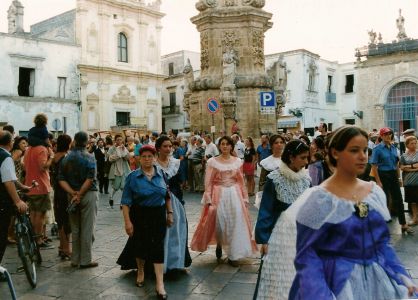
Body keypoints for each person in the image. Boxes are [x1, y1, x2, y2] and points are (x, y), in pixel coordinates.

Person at [288, 125, 418, 299]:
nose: (363, 156)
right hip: (337, 281)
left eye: (365, 150)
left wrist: (401, 275)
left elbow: (382, 244)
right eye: (354, 150)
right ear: (335, 153)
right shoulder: (319, 199)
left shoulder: (374, 192)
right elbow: (307, 256)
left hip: (377, 281)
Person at [254, 140, 310, 299]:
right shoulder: (275, 178)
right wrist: (264, 239)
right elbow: (266, 210)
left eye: (307, 158)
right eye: (303, 158)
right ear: (291, 157)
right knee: (278, 275)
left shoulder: (306, 180)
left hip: (301, 235)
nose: (306, 162)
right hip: (280, 235)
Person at [117, 145, 173, 299]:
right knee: (140, 244)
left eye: (150, 156)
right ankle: (140, 270)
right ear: (138, 159)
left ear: (154, 158)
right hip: (139, 214)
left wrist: (170, 213)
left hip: (157, 215)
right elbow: (126, 202)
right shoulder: (132, 177)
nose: (147, 159)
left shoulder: (161, 174)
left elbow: (167, 195)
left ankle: (160, 284)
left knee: (157, 247)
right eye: (144, 157)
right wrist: (127, 222)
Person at [191, 136, 257, 267]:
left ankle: (233, 254)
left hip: (234, 193)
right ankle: (220, 244)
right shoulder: (212, 162)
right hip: (218, 193)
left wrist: (244, 197)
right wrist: (208, 197)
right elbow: (208, 181)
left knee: (236, 221)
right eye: (222, 144)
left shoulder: (237, 161)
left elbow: (240, 180)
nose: (225, 146)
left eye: (227, 144)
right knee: (220, 222)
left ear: (231, 146)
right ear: (219, 146)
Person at [58, 131, 98, 269]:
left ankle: (75, 259)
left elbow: (61, 179)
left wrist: (72, 193)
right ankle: (86, 260)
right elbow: (90, 178)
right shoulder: (90, 157)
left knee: (75, 228)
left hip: (71, 195)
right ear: (87, 142)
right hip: (88, 194)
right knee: (87, 228)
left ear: (74, 141)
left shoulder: (66, 158)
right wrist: (80, 193)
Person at [154, 136, 192, 271]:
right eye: (165, 146)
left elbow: (181, 182)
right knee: (159, 232)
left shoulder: (175, 163)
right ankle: (158, 263)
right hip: (157, 201)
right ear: (158, 148)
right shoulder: (153, 165)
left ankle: (175, 261)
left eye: (170, 146)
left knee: (177, 231)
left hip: (175, 200)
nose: (168, 149)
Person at [370, 127, 412, 234]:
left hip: (393, 174)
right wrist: (378, 181)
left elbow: (396, 164)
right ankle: (379, 225)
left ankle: (403, 224)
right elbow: (374, 166)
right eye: (385, 134)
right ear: (381, 136)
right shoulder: (377, 149)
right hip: (383, 175)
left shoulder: (394, 147)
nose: (388, 136)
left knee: (398, 199)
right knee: (383, 200)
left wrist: (398, 177)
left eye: (390, 134)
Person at [24, 116, 54, 248]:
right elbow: (43, 167)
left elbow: (25, 166)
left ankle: (33, 239)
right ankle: (38, 240)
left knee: (33, 213)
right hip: (41, 185)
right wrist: (51, 158)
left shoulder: (28, 150)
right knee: (40, 214)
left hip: (30, 184)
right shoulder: (41, 149)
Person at [0, 130, 28, 265]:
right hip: (2, 202)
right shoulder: (5, 157)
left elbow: (11, 177)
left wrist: (22, 187)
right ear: (10, 143)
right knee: (1, 235)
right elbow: (8, 181)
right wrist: (17, 200)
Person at [52, 134, 72, 260]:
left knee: (60, 219)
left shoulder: (54, 157)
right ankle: (66, 249)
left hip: (57, 191)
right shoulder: (65, 158)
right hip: (64, 192)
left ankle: (62, 247)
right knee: (66, 220)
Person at [108, 134, 130, 208]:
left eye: (121, 139)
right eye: (118, 140)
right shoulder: (112, 148)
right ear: (115, 140)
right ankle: (111, 198)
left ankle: (122, 203)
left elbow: (128, 158)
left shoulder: (124, 148)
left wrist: (124, 154)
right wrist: (117, 155)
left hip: (124, 168)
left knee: (123, 186)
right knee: (115, 186)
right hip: (116, 169)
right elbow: (110, 159)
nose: (119, 141)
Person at [400, 136, 418, 225]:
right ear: (407, 145)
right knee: (413, 201)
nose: (414, 145)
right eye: (412, 143)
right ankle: (415, 218)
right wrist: (414, 167)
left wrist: (408, 167)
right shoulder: (403, 156)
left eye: (415, 143)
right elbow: (402, 167)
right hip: (409, 181)